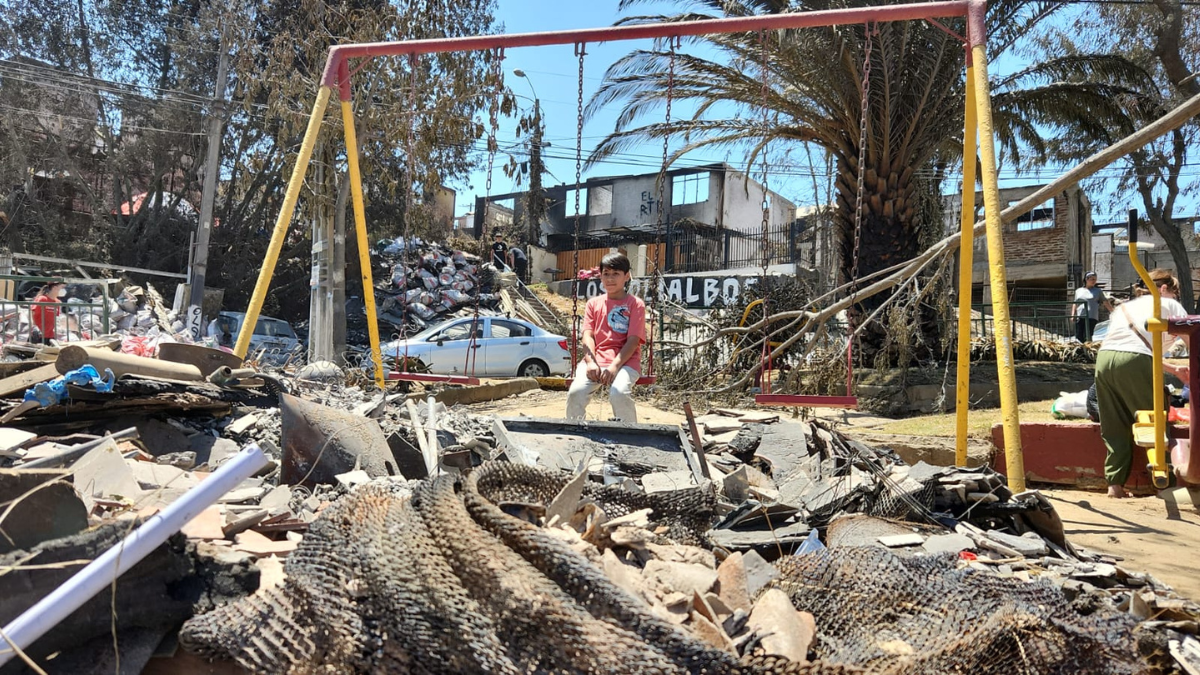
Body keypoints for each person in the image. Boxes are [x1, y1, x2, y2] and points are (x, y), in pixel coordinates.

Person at [1095, 268, 1189, 498]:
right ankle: (1165, 484)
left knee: (1114, 424)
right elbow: (1191, 339)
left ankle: (1115, 484)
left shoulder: (1124, 307)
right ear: (1164, 288)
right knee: (1154, 418)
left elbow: (1132, 348)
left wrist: (1172, 369)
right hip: (1135, 361)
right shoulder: (1167, 303)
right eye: (1174, 292)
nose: (1175, 297)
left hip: (1105, 359)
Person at [566, 252, 645, 423]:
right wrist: (591, 362)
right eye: (606, 274)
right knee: (575, 393)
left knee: (619, 392)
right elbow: (587, 335)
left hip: (626, 362)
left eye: (616, 274)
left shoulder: (635, 304)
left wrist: (614, 366)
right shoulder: (593, 304)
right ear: (600, 277)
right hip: (596, 359)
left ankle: (630, 434)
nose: (610, 279)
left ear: (627, 276)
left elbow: (633, 340)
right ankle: (574, 431)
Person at [1074, 271, 1112, 342]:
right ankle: (1082, 351)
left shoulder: (1097, 291)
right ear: (1086, 279)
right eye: (1092, 279)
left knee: (1087, 335)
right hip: (1080, 316)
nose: (1094, 281)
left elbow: (1105, 302)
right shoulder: (1078, 291)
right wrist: (1073, 314)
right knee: (1079, 336)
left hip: (1091, 317)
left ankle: (1088, 350)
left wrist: (1113, 311)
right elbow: (1075, 303)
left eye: (1095, 279)